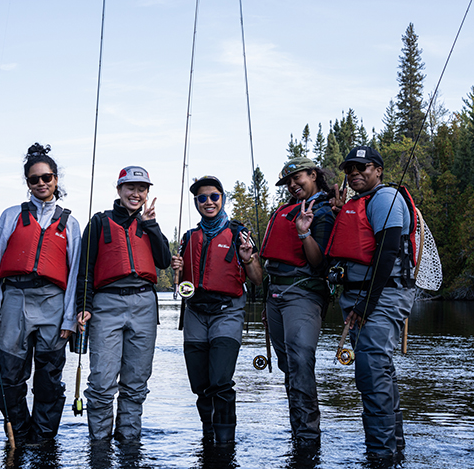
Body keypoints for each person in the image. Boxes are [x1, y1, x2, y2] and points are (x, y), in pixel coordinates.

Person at [0, 143, 81, 442]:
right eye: (34, 179)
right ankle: (19, 435)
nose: (41, 183)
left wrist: (69, 319)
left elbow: (75, 273)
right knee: (9, 377)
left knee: (49, 379)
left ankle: (44, 440)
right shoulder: (11, 216)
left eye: (46, 177)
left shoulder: (70, 223)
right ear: (27, 183)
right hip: (15, 300)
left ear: (56, 180)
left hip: (53, 303)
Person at [325, 145, 415, 462]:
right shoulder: (357, 203)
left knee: (371, 373)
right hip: (360, 297)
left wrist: (366, 302)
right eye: (350, 169)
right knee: (381, 373)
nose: (355, 173)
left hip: (382, 296)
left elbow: (387, 252)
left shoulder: (384, 199)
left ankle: (379, 455)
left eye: (363, 167)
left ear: (378, 170)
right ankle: (394, 450)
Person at [76, 166, 171, 441]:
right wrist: (84, 306)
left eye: (142, 189)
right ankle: (100, 444)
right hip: (106, 304)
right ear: (119, 190)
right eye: (130, 187)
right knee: (102, 383)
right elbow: (86, 269)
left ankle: (129, 442)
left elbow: (164, 261)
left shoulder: (148, 225)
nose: (136, 193)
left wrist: (151, 224)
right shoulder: (98, 222)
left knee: (136, 383)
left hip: (144, 304)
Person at [171, 176, 263, 444]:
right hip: (195, 313)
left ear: (223, 198)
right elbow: (183, 282)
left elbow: (257, 279)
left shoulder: (239, 234)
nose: (208, 202)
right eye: (202, 198)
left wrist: (249, 259)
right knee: (200, 385)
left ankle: (225, 444)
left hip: (227, 311)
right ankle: (207, 436)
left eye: (214, 196)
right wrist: (177, 269)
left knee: (220, 381)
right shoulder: (189, 237)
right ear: (196, 202)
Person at [259, 157, 335, 447]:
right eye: (288, 182)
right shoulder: (285, 211)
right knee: (288, 365)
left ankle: (308, 437)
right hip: (275, 297)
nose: (292, 185)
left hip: (303, 293)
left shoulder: (324, 211)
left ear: (313, 175)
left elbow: (319, 263)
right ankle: (299, 433)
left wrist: (304, 232)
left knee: (301, 360)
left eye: (297, 178)